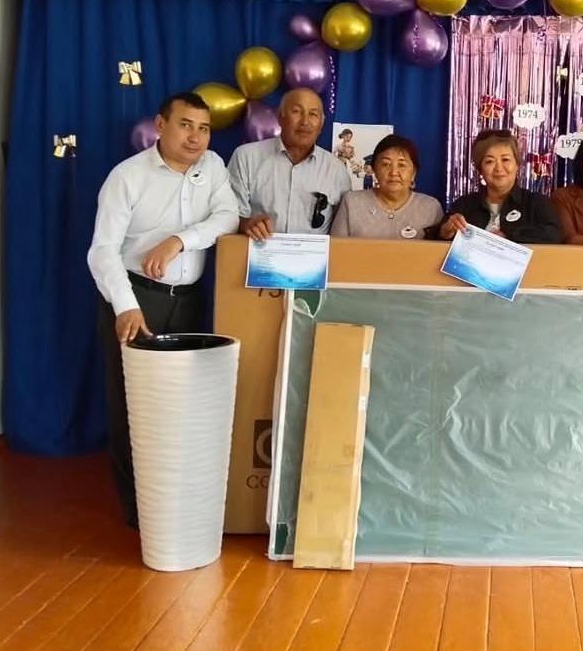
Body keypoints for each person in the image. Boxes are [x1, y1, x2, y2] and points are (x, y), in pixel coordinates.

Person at [87, 91, 239, 528]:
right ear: (160, 125)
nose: (195, 137)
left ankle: (178, 505)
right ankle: (141, 515)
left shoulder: (213, 167)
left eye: (204, 128)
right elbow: (102, 252)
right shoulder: (128, 176)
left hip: (189, 302)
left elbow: (228, 216)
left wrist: (179, 241)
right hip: (137, 300)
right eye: (185, 125)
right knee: (134, 411)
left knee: (182, 408)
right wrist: (126, 307)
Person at [228, 87, 351, 238]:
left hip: (314, 253)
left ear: (321, 124)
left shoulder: (336, 170)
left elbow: (343, 230)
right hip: (259, 249)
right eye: (296, 112)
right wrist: (246, 224)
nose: (305, 122)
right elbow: (227, 217)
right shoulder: (246, 157)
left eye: (313, 114)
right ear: (280, 118)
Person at [437, 129, 562, 244]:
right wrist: (445, 232)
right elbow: (436, 240)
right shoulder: (464, 205)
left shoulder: (535, 203)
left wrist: (509, 235)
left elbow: (554, 235)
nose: (498, 168)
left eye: (505, 159)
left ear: (517, 165)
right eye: (489, 161)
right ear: (480, 169)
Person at [329, 134, 443, 239]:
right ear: (374, 170)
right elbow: (335, 250)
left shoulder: (431, 208)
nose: (394, 172)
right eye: (386, 164)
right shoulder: (352, 203)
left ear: (413, 173)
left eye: (401, 165)